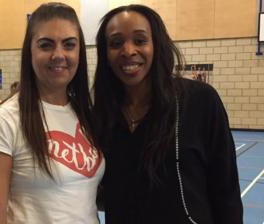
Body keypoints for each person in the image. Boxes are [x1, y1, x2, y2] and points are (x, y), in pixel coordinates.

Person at [92, 4, 243, 224]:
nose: (128, 51)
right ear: (105, 54)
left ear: (157, 45)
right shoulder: (101, 115)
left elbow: (226, 190)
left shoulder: (199, 101)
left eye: (140, 40)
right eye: (116, 43)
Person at [0, 2, 104, 224]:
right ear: (30, 51)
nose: (59, 55)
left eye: (69, 45)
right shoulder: (5, 121)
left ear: (79, 51)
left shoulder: (86, 114)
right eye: (46, 45)